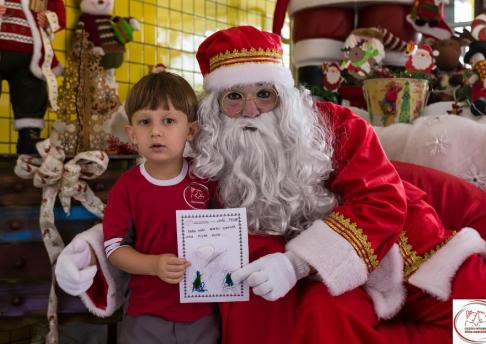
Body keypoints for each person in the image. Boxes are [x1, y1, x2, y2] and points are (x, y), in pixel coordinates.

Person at [55, 26, 486, 343]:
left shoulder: (334, 127)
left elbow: (381, 198)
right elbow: (163, 198)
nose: (251, 110)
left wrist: (297, 263)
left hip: (396, 245)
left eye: (265, 94)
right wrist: (97, 248)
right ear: (215, 107)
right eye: (234, 98)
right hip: (296, 278)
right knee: (316, 315)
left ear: (285, 96)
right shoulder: (209, 144)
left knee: (473, 320)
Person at [102, 71, 219, 344]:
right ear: (131, 133)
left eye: (168, 120)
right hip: (145, 316)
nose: (156, 131)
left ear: (190, 130)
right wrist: (152, 264)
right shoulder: (127, 186)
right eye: (145, 122)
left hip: (204, 313)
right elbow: (114, 248)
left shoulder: (208, 180)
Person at [0, 0, 65, 154]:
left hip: (30, 56)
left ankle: (29, 138)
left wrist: (49, 20)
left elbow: (59, 14)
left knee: (31, 94)